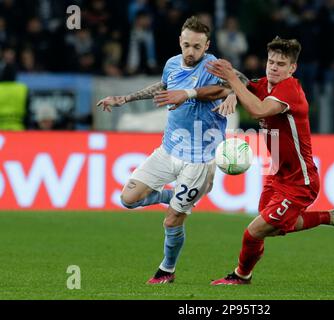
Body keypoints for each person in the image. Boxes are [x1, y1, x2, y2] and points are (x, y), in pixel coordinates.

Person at [96, 16, 240, 284]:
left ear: (207, 45)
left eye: (197, 47)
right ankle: (170, 196)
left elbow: (239, 82)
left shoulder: (216, 66)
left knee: (172, 220)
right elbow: (163, 86)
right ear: (180, 42)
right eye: (186, 45)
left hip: (199, 160)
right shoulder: (172, 64)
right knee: (128, 199)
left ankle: (166, 270)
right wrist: (124, 99)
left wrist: (229, 92)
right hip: (168, 149)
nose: (190, 52)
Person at [203, 37, 334, 285]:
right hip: (278, 173)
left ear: (292, 68)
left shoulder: (290, 91)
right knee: (274, 226)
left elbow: (258, 110)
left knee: (254, 232)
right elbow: (245, 85)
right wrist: (232, 92)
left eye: (281, 64)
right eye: (271, 61)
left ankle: (241, 275)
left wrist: (231, 81)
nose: (273, 67)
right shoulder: (264, 85)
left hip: (300, 181)